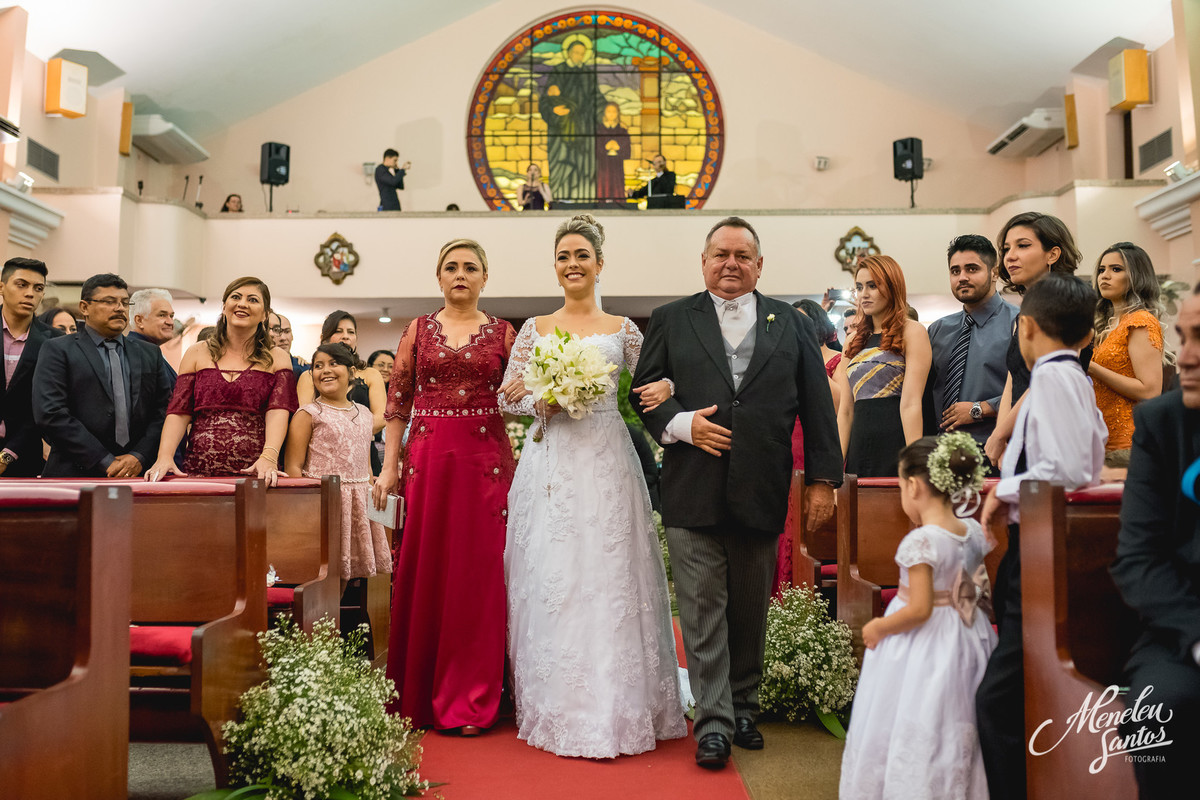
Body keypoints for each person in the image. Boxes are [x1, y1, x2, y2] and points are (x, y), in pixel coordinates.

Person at [633, 216, 841, 769]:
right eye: (720, 254)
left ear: (759, 265)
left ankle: (744, 706)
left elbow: (818, 407)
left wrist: (823, 480)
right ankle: (714, 723)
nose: (731, 264)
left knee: (751, 607)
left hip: (762, 487)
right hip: (692, 488)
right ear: (703, 262)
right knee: (701, 609)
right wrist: (682, 426)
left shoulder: (791, 324)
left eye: (742, 256)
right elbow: (645, 393)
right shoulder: (672, 319)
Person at [501, 215, 686, 757]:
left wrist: (670, 384)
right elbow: (508, 397)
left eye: (582, 255)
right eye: (563, 256)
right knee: (557, 573)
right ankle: (559, 702)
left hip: (607, 455)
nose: (572, 264)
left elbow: (654, 383)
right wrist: (541, 400)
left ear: (600, 264)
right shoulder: (534, 329)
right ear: (555, 266)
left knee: (611, 573)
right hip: (553, 462)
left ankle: (622, 701)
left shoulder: (624, 330)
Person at [373, 238, 516, 735]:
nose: (461, 274)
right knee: (427, 563)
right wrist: (389, 467)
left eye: (470, 267)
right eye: (451, 267)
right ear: (439, 277)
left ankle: (476, 696)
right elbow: (397, 403)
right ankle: (419, 689)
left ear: (484, 277)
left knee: (480, 572)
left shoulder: (504, 332)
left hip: (486, 463)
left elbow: (524, 397)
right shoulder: (416, 330)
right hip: (428, 460)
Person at [977, 273, 1107, 800]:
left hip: (1040, 551)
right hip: (1043, 547)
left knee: (997, 702)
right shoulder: (1072, 376)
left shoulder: (1053, 380)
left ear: (1024, 328)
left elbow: (1070, 470)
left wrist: (1003, 493)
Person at [840, 433, 996, 799]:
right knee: (956, 717)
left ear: (913, 486)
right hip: (968, 634)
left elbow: (919, 609)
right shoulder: (972, 531)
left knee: (915, 714)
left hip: (924, 646)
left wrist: (879, 626)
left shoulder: (921, 541)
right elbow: (980, 587)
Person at [1110, 284, 1200, 797]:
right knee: (1155, 714)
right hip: (1180, 626)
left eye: (1199, 339)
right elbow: (1138, 560)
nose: (1182, 359)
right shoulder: (1162, 423)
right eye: (1181, 337)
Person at [143, 276, 297, 484]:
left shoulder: (277, 357)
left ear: (265, 315)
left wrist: (269, 457)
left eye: (252, 300)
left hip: (255, 472)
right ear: (224, 307)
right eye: (236, 297)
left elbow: (277, 413)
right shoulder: (197, 352)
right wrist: (165, 456)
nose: (242, 303)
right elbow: (179, 411)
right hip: (199, 471)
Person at [33, 273, 174, 478]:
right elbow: (50, 412)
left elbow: (163, 411)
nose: (119, 308)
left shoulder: (149, 353)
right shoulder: (58, 349)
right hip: (73, 472)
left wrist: (139, 456)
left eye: (124, 302)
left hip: (138, 472)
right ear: (84, 307)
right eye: (109, 302)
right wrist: (104, 460)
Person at [984, 211, 1085, 467]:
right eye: (1007, 248)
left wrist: (1002, 433)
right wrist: (1004, 433)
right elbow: (1014, 376)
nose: (1010, 256)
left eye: (1023, 245)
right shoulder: (1027, 309)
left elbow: (1048, 378)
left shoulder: (1067, 302)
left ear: (1052, 254)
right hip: (1021, 430)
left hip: (1051, 430)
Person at [285, 342, 390, 585]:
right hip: (324, 502)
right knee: (322, 573)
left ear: (352, 372)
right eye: (318, 366)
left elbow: (365, 462)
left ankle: (338, 622)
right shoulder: (309, 413)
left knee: (346, 576)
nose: (325, 370)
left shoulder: (364, 413)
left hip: (358, 503)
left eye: (334, 364)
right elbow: (293, 466)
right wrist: (305, 510)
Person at [772, 299, 849, 595]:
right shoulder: (783, 359)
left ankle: (796, 595)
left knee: (802, 524)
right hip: (784, 444)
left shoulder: (836, 360)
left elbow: (839, 401)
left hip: (812, 444)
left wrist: (809, 361)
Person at [926, 235, 1019, 472]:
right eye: (955, 271)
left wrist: (980, 409)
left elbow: (1032, 388)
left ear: (994, 272)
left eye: (972, 269)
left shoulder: (1018, 322)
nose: (962, 277)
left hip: (995, 450)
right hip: (941, 451)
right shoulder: (938, 330)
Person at [836, 255, 931, 477]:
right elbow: (846, 411)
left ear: (891, 286)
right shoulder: (852, 340)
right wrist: (834, 466)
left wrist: (914, 464)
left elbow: (911, 404)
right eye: (859, 287)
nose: (864, 294)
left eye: (872, 286)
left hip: (896, 441)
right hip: (859, 444)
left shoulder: (913, 331)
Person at [1088, 242, 1169, 467]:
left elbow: (1150, 391)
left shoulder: (1140, 321)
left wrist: (1091, 366)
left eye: (1116, 269)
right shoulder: (1105, 324)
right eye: (1102, 270)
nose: (1105, 276)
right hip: (1098, 442)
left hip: (1126, 445)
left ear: (1136, 277)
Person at [297, 311, 385, 474]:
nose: (345, 337)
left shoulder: (371, 374)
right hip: (323, 453)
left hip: (363, 451)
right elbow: (307, 419)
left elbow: (380, 417)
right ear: (325, 337)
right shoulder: (310, 375)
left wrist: (350, 434)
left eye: (351, 332)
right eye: (338, 331)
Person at [0, 258, 63, 477]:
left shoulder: (56, 342)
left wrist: (7, 454)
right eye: (21, 284)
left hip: (24, 456)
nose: (30, 293)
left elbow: (47, 406)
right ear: (1, 287)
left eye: (38, 288)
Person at [539, 36, 601, 201]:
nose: (579, 56)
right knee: (561, 162)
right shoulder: (558, 71)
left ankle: (585, 200)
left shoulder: (589, 74)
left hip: (584, 127)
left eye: (582, 53)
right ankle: (560, 199)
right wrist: (554, 111)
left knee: (584, 165)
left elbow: (596, 99)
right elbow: (545, 100)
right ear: (568, 53)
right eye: (576, 52)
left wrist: (608, 115)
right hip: (560, 128)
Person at [596, 102, 630, 201]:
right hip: (603, 164)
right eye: (609, 111)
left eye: (614, 111)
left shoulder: (622, 130)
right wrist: (605, 147)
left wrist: (618, 147)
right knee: (603, 184)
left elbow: (627, 151)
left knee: (617, 184)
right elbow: (595, 150)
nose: (611, 114)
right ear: (604, 113)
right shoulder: (599, 130)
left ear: (618, 113)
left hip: (617, 165)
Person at [268, 311, 307, 378]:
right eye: (277, 331)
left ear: (292, 336)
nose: (283, 338)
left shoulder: (304, 370)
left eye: (287, 331)